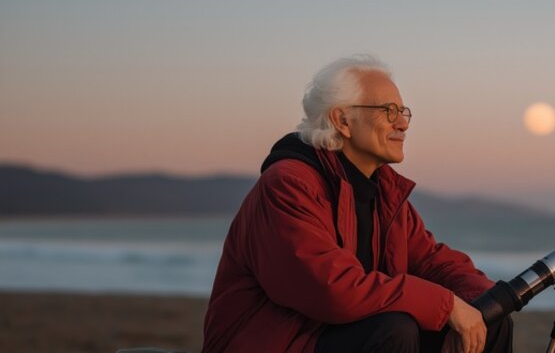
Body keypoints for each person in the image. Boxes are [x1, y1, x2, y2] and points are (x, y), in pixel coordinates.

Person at [202, 55, 513, 353]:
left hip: (338, 337)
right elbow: (330, 288)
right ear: (343, 120)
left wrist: (483, 300)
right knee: (394, 328)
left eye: (404, 112)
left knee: (491, 321)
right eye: (389, 111)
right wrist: (445, 305)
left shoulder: (383, 191)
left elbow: (432, 261)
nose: (402, 124)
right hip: (280, 343)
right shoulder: (289, 184)